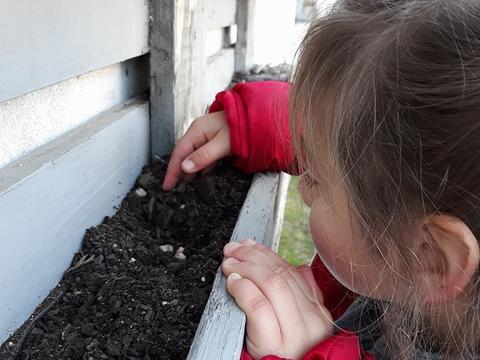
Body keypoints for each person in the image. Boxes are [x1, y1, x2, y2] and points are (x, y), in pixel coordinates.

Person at [163, 0, 480, 358]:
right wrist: (266, 122)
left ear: (432, 258)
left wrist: (309, 354)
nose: (305, 185)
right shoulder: (405, 254)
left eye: (317, 175)